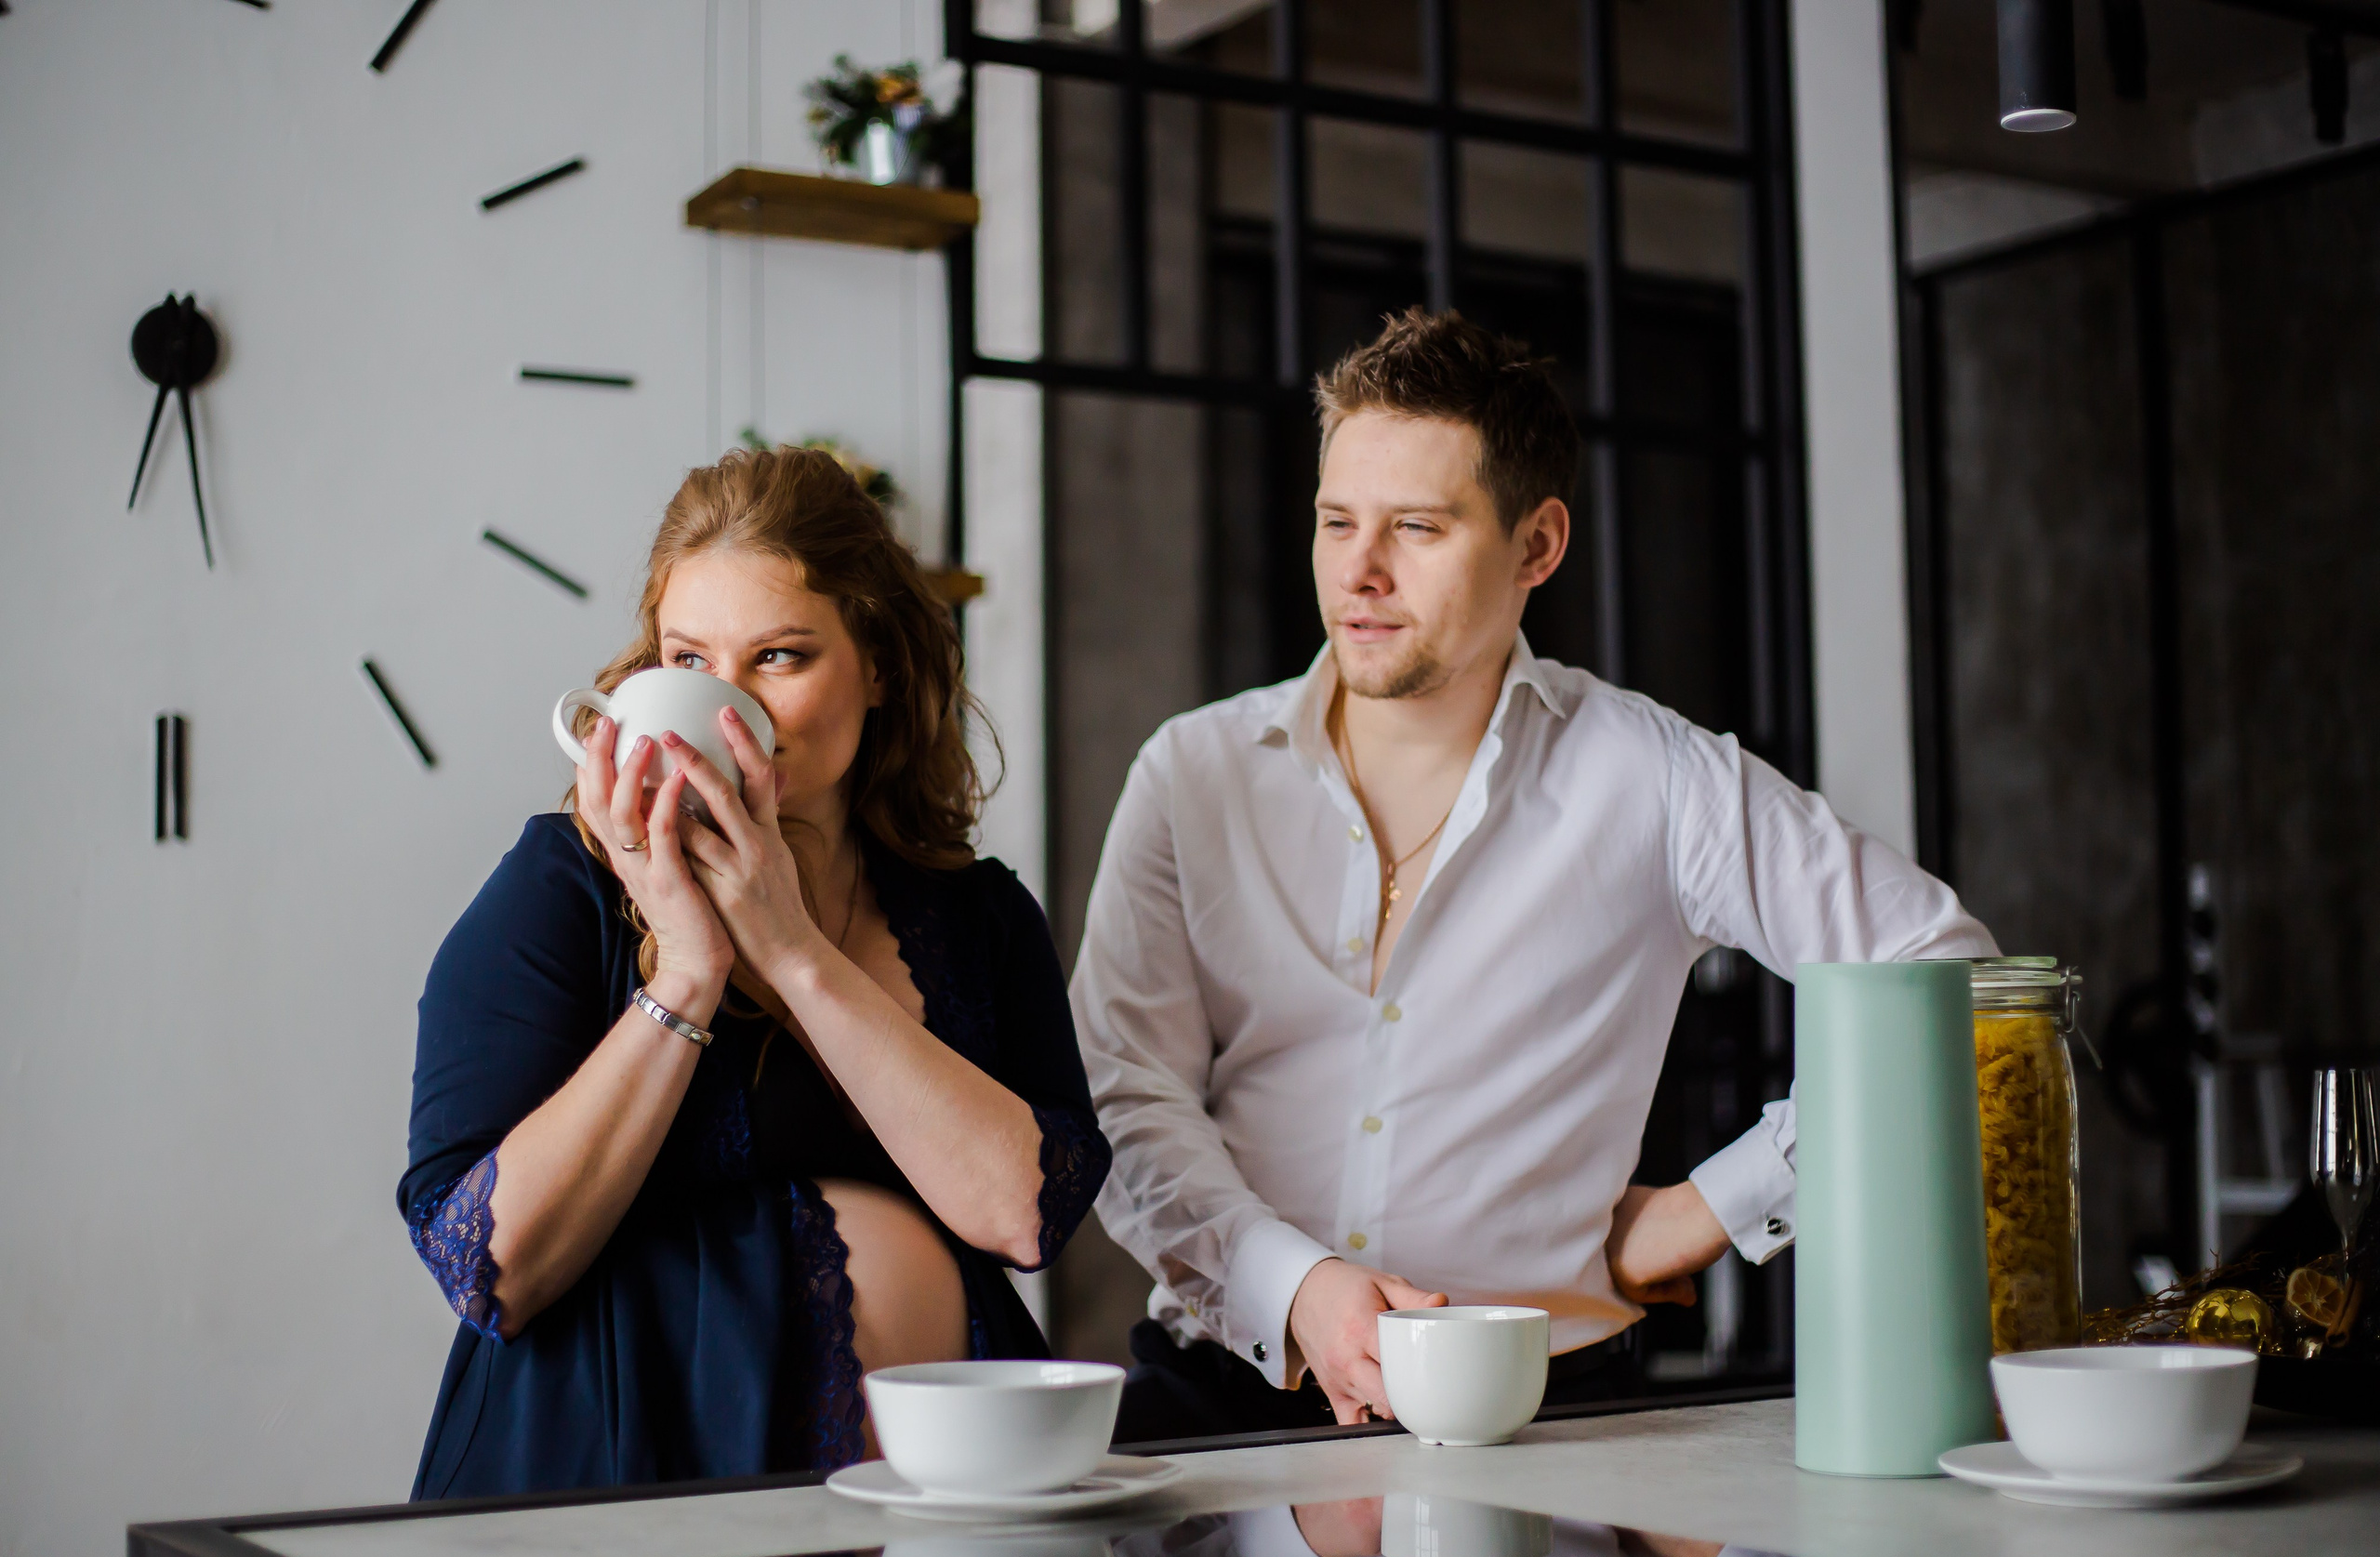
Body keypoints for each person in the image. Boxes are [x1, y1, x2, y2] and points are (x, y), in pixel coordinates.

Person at [1075, 310, 1997, 1442]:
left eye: (1414, 527)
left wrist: (1722, 1204)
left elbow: (1955, 982)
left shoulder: (1652, 778)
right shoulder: (1189, 773)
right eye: (1335, 522)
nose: (1358, 571)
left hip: (1550, 1420)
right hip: (1225, 1398)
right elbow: (1121, 1093)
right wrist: (1300, 1290)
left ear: (1536, 545)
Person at [400, 445, 1109, 1497]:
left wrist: (792, 952)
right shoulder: (560, 892)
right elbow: (487, 1266)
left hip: (940, 1504)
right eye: (688, 663)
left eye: (778, 656)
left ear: (877, 667)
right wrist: (686, 974)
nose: (725, 708)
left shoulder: (977, 916)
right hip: (621, 1490)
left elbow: (1025, 1215)